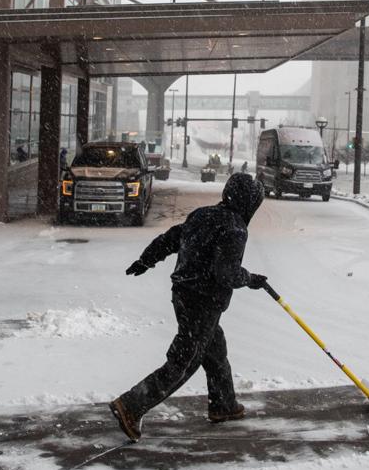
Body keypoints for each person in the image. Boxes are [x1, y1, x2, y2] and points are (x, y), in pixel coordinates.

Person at [109, 173, 268, 441]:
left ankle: (224, 405)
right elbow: (225, 273)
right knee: (185, 361)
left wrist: (147, 259)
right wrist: (250, 279)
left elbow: (172, 238)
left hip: (183, 294)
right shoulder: (235, 228)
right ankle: (131, 406)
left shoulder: (202, 214)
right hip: (203, 300)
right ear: (248, 202)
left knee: (214, 349)